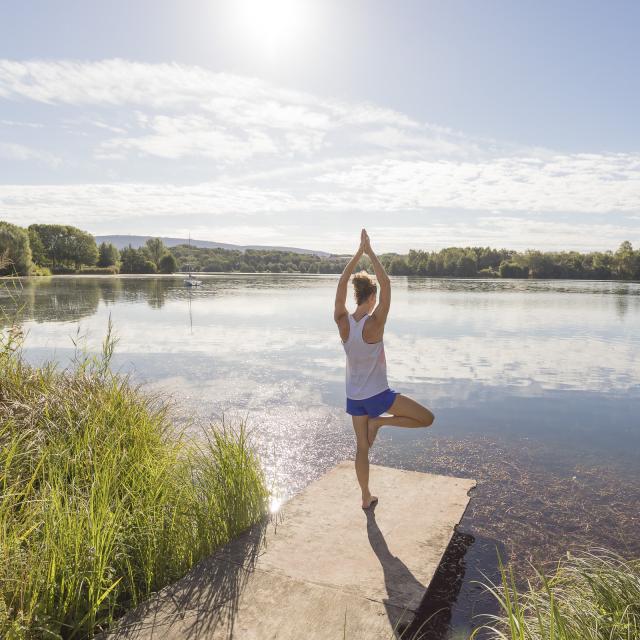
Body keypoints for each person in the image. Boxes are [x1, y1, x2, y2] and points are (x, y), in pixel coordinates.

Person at [334, 229, 435, 509]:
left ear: (356, 296)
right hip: (379, 396)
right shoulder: (374, 324)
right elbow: (387, 283)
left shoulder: (342, 321)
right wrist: (370, 251)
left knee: (362, 448)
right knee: (427, 418)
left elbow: (342, 281)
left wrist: (357, 254)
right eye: (376, 297)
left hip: (355, 399)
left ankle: (366, 497)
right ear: (372, 297)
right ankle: (382, 422)